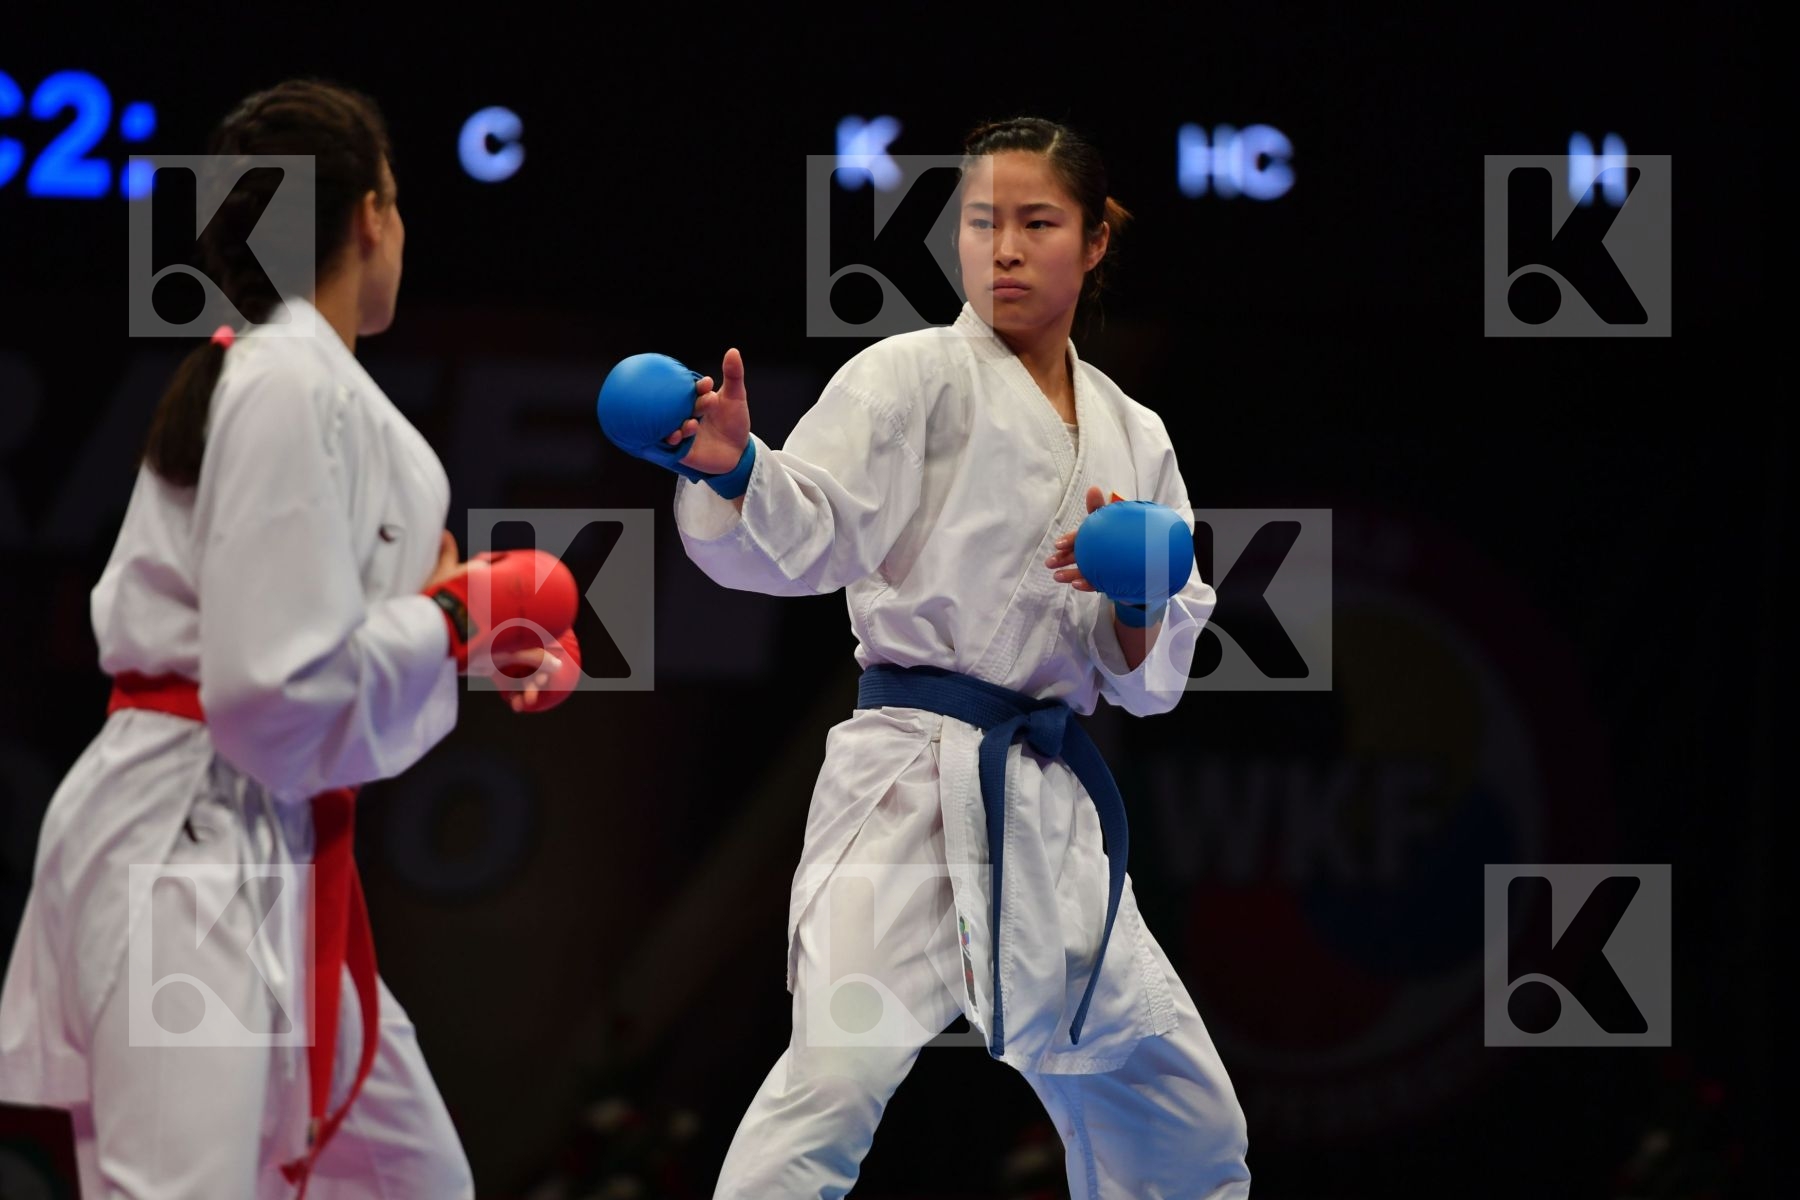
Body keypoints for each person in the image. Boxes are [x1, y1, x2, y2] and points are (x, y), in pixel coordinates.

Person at [654, 117, 1251, 1198]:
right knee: (831, 1083)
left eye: (1036, 223)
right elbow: (815, 529)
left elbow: (1147, 678)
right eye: (982, 223)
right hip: (906, 789)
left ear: (1096, 240)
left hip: (1044, 803)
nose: (1005, 249)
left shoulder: (1136, 434)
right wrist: (739, 467)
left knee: (1182, 1117)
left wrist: (1134, 593)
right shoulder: (910, 375)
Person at [0, 78, 567, 1198]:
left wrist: (474, 636)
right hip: (186, 835)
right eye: (397, 201)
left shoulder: (339, 406)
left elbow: (350, 647)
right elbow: (268, 692)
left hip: (278, 841)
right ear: (368, 215)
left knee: (415, 1186)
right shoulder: (276, 382)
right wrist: (454, 613)